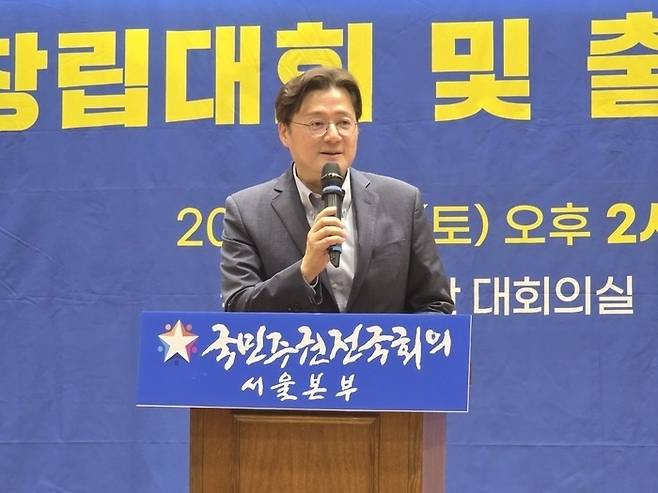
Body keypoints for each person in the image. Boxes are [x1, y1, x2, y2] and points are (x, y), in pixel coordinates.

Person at [220, 67, 454, 314]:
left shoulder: (402, 203)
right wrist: (305, 272)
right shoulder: (247, 212)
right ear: (284, 132)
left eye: (344, 123)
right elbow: (238, 311)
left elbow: (434, 305)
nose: (333, 136)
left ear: (357, 129)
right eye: (317, 123)